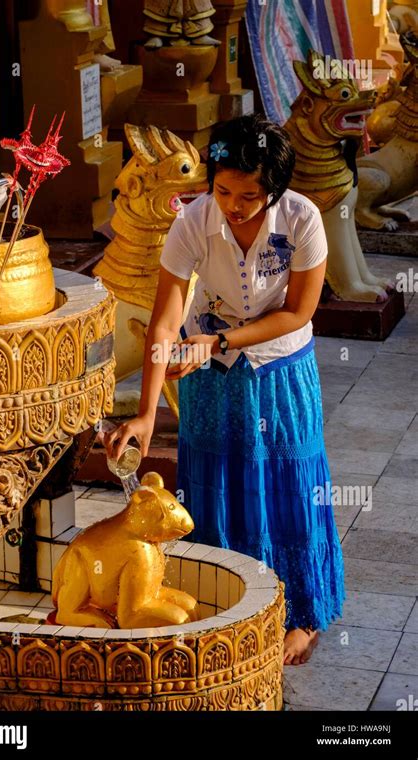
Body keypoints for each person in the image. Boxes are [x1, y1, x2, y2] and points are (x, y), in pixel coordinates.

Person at [104, 115, 346, 666]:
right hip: (210, 380)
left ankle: (301, 617)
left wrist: (215, 342)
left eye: (248, 195)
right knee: (213, 484)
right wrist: (145, 417)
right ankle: (225, 607)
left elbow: (298, 312)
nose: (233, 205)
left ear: (275, 191)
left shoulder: (302, 219)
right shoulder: (191, 222)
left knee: (288, 485)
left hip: (280, 372)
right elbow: (165, 321)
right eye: (223, 190)